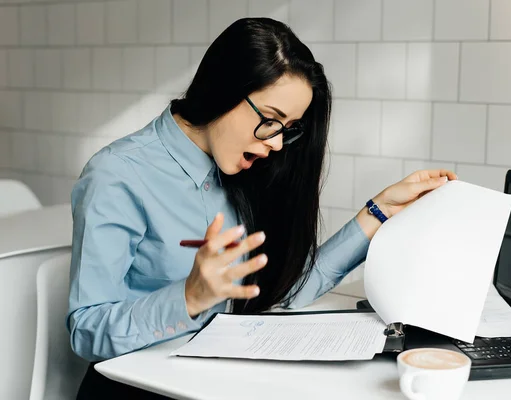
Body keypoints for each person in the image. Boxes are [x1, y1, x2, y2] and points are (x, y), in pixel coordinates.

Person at [68, 17, 457, 398]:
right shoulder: (118, 174)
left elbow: (282, 293)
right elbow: (85, 331)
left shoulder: (244, 169)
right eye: (271, 120)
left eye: (287, 129)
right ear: (224, 89)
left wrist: (380, 210)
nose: (275, 143)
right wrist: (188, 298)